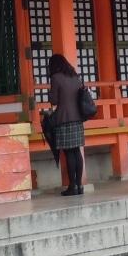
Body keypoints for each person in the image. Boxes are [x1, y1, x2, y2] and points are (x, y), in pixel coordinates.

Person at [46, 53, 85, 196]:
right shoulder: (75, 77)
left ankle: (72, 186)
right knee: (77, 152)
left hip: (64, 119)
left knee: (69, 153)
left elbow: (54, 100)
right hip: (78, 119)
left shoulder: (56, 78)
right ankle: (79, 185)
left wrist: (49, 93)